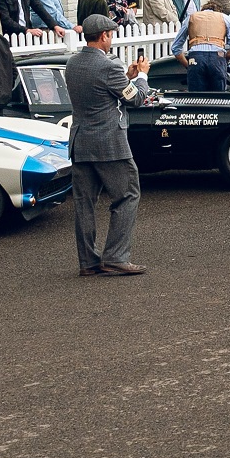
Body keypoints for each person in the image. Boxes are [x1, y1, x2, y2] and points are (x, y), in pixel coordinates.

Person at [63, 15, 151, 277]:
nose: (111, 39)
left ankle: (88, 262)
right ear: (103, 36)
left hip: (81, 141)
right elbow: (135, 100)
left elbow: (101, 90)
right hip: (109, 143)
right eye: (110, 35)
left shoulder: (73, 64)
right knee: (127, 194)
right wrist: (142, 77)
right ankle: (115, 256)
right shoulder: (107, 67)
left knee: (84, 204)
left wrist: (127, 76)